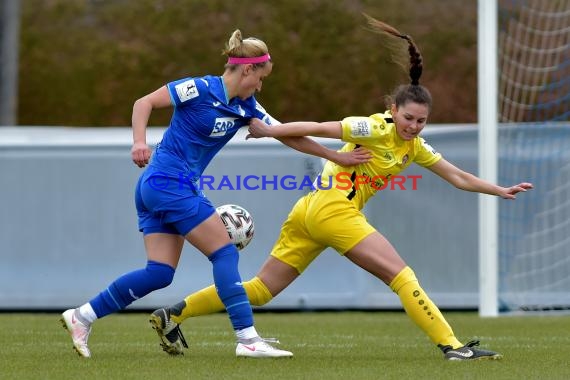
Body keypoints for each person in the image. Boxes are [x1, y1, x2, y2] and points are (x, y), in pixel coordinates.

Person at [148, 16, 533, 361]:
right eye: (409, 118)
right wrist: (269, 131)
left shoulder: (413, 145)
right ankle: (454, 347)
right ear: (393, 109)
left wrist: (498, 190)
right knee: (402, 277)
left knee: (262, 290)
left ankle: (174, 313)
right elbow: (318, 126)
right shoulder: (377, 128)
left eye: (422, 121)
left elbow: (457, 176)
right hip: (333, 211)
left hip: (310, 212)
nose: (414, 126)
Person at [59, 29, 369, 359]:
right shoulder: (199, 88)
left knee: (160, 273)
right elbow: (144, 103)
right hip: (167, 181)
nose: (260, 86)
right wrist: (138, 142)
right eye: (260, 78)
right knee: (224, 252)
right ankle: (247, 338)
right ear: (247, 69)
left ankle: (82, 316)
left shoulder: (246, 105)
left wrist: (335, 156)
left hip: (162, 187)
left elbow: (286, 134)